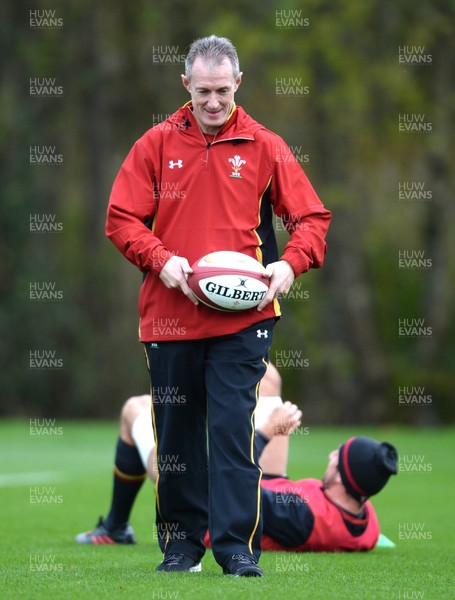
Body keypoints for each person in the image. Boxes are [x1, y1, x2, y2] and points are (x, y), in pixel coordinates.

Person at [105, 34, 331, 576]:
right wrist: (161, 260)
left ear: (238, 85)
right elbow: (121, 219)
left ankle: (235, 549)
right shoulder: (155, 145)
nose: (213, 102)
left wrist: (289, 264)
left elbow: (312, 219)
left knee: (232, 432)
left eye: (223, 92)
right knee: (177, 435)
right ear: (185, 85)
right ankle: (182, 547)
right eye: (203, 91)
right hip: (168, 316)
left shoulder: (265, 146)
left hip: (243, 322)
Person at [76, 373, 397, 552]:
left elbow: (229, 483)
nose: (329, 456)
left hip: (206, 504)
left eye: (336, 459)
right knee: (266, 376)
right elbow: (369, 530)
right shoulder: (363, 519)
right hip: (266, 490)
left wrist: (265, 434)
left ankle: (116, 527)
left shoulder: (300, 516)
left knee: (136, 408)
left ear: (342, 481)